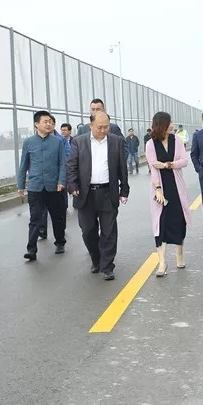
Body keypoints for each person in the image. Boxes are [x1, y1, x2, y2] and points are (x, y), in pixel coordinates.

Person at [67, 111, 130, 280]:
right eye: (99, 127)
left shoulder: (116, 141)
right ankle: (96, 259)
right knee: (88, 230)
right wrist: (72, 185)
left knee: (109, 231)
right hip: (86, 193)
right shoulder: (79, 142)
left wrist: (124, 189)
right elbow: (71, 165)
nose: (103, 130)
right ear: (91, 125)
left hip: (108, 192)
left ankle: (107, 266)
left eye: (106, 127)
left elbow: (122, 167)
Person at [146, 112, 192, 277]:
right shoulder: (151, 144)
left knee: (179, 221)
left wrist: (167, 164)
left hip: (176, 186)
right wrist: (158, 189)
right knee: (161, 223)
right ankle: (162, 262)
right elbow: (153, 167)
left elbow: (184, 161)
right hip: (160, 187)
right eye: (169, 122)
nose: (172, 125)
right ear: (162, 125)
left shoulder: (176, 140)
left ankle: (180, 254)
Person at [17, 110, 67, 261]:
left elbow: (62, 164)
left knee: (57, 217)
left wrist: (61, 181)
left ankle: (60, 242)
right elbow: (23, 165)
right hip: (35, 187)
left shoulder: (58, 142)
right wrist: (21, 185)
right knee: (35, 219)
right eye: (45, 122)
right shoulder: (29, 142)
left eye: (50, 122)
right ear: (36, 124)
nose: (49, 124)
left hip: (54, 186)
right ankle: (31, 249)